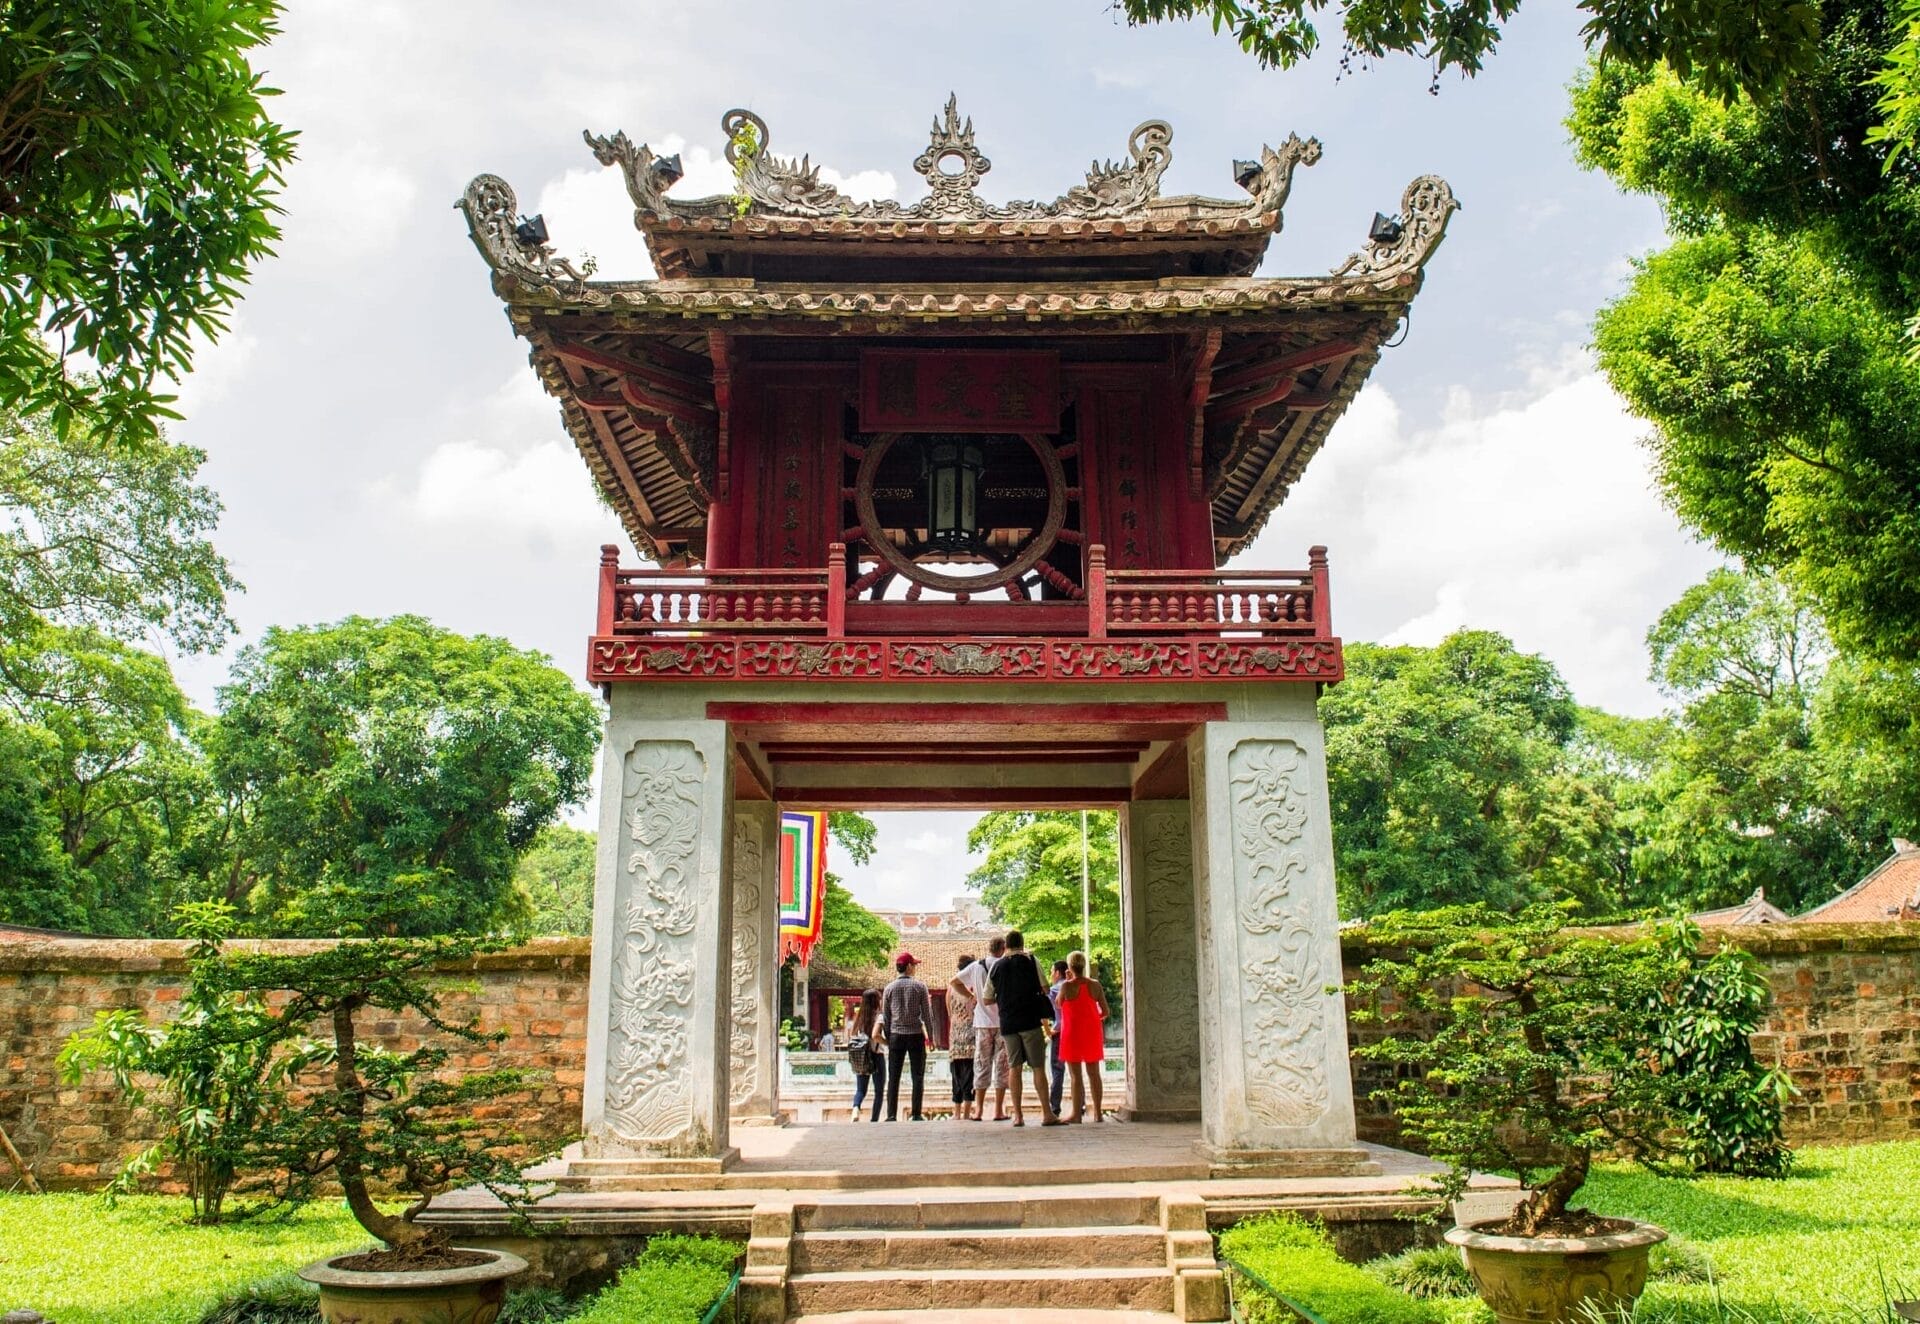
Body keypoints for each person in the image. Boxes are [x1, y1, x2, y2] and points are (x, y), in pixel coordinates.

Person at [985, 930, 1061, 1127]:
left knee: (1014, 1067)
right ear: (1022, 944)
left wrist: (1004, 997)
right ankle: (1047, 1113)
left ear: (1006, 946)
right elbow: (1045, 988)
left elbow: (986, 998)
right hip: (1030, 1020)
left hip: (1008, 1023)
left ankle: (1018, 1116)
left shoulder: (996, 966)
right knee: (1038, 1068)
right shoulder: (1032, 961)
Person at [950, 936, 1009, 1122]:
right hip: (1003, 1022)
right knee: (1002, 1066)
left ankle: (979, 1110)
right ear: (1003, 948)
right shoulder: (1006, 965)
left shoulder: (976, 966)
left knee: (981, 1065)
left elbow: (954, 982)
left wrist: (972, 997)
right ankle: (999, 1110)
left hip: (982, 1022)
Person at [1056, 949, 1110, 1123]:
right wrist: (1093, 1018)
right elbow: (1106, 1011)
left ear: (1070, 967)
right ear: (1084, 965)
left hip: (1072, 1032)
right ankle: (1098, 1113)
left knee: (1075, 1076)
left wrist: (1068, 978)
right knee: (1094, 1074)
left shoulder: (1066, 986)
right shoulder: (1095, 985)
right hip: (1091, 1031)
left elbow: (1058, 1003)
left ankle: (1076, 1114)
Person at [879, 951, 934, 1121]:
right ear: (909, 966)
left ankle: (891, 1114)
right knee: (917, 1076)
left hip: (896, 1035)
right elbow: (927, 1014)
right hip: (916, 1035)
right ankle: (916, 1113)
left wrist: (888, 1037)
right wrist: (930, 1037)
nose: (915, 968)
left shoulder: (889, 988)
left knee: (893, 1077)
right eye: (914, 965)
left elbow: (886, 1016)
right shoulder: (920, 987)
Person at [847, 989, 886, 1123]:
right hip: (876, 1055)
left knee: (861, 1090)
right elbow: (876, 1035)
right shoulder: (879, 1017)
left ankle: (856, 1108)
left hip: (862, 1055)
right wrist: (887, 1043)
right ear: (876, 1001)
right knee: (879, 1091)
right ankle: (874, 1119)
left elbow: (852, 1036)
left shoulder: (859, 1018)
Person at [947, 953, 979, 1120]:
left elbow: (949, 1012)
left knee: (956, 1074)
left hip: (955, 1034)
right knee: (969, 1074)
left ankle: (957, 1111)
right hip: (971, 1034)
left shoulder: (951, 988)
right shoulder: (973, 988)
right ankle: (967, 1110)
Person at [1046, 959, 1070, 1119]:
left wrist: (1047, 1030)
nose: (1051, 975)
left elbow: (1044, 1011)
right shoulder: (1074, 987)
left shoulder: (1054, 990)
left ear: (1056, 973)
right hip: (1073, 1030)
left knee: (1057, 1070)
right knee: (1076, 1071)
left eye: (1052, 971)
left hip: (1059, 1031)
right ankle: (1080, 1105)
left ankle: (1055, 1107)